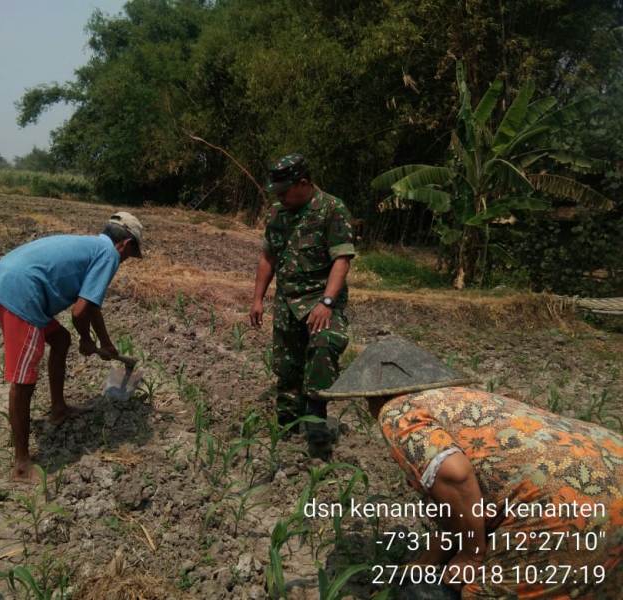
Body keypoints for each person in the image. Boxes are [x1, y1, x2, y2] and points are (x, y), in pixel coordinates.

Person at [320, 336, 623, 599]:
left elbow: (455, 475)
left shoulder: (397, 410)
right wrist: (424, 566)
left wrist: (470, 554)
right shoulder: (460, 400)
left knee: (483, 592)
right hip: (612, 474)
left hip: (571, 506)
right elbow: (460, 507)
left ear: (371, 395)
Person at [0, 212, 144, 482]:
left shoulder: (94, 247)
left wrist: (104, 342)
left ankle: (59, 408)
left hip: (11, 276)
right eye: (130, 255)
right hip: (22, 291)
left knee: (61, 340)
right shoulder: (109, 256)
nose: (126, 261)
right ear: (126, 244)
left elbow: (91, 304)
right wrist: (86, 338)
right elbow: (79, 312)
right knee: (23, 380)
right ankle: (22, 465)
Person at [249, 153, 356, 459]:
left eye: (284, 191)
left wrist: (326, 302)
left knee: (323, 351)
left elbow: (341, 259)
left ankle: (316, 427)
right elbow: (268, 257)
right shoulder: (278, 214)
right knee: (286, 365)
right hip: (286, 302)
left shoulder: (332, 209)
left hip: (320, 301)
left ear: (304, 184)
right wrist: (258, 299)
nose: (280, 198)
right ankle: (286, 427)